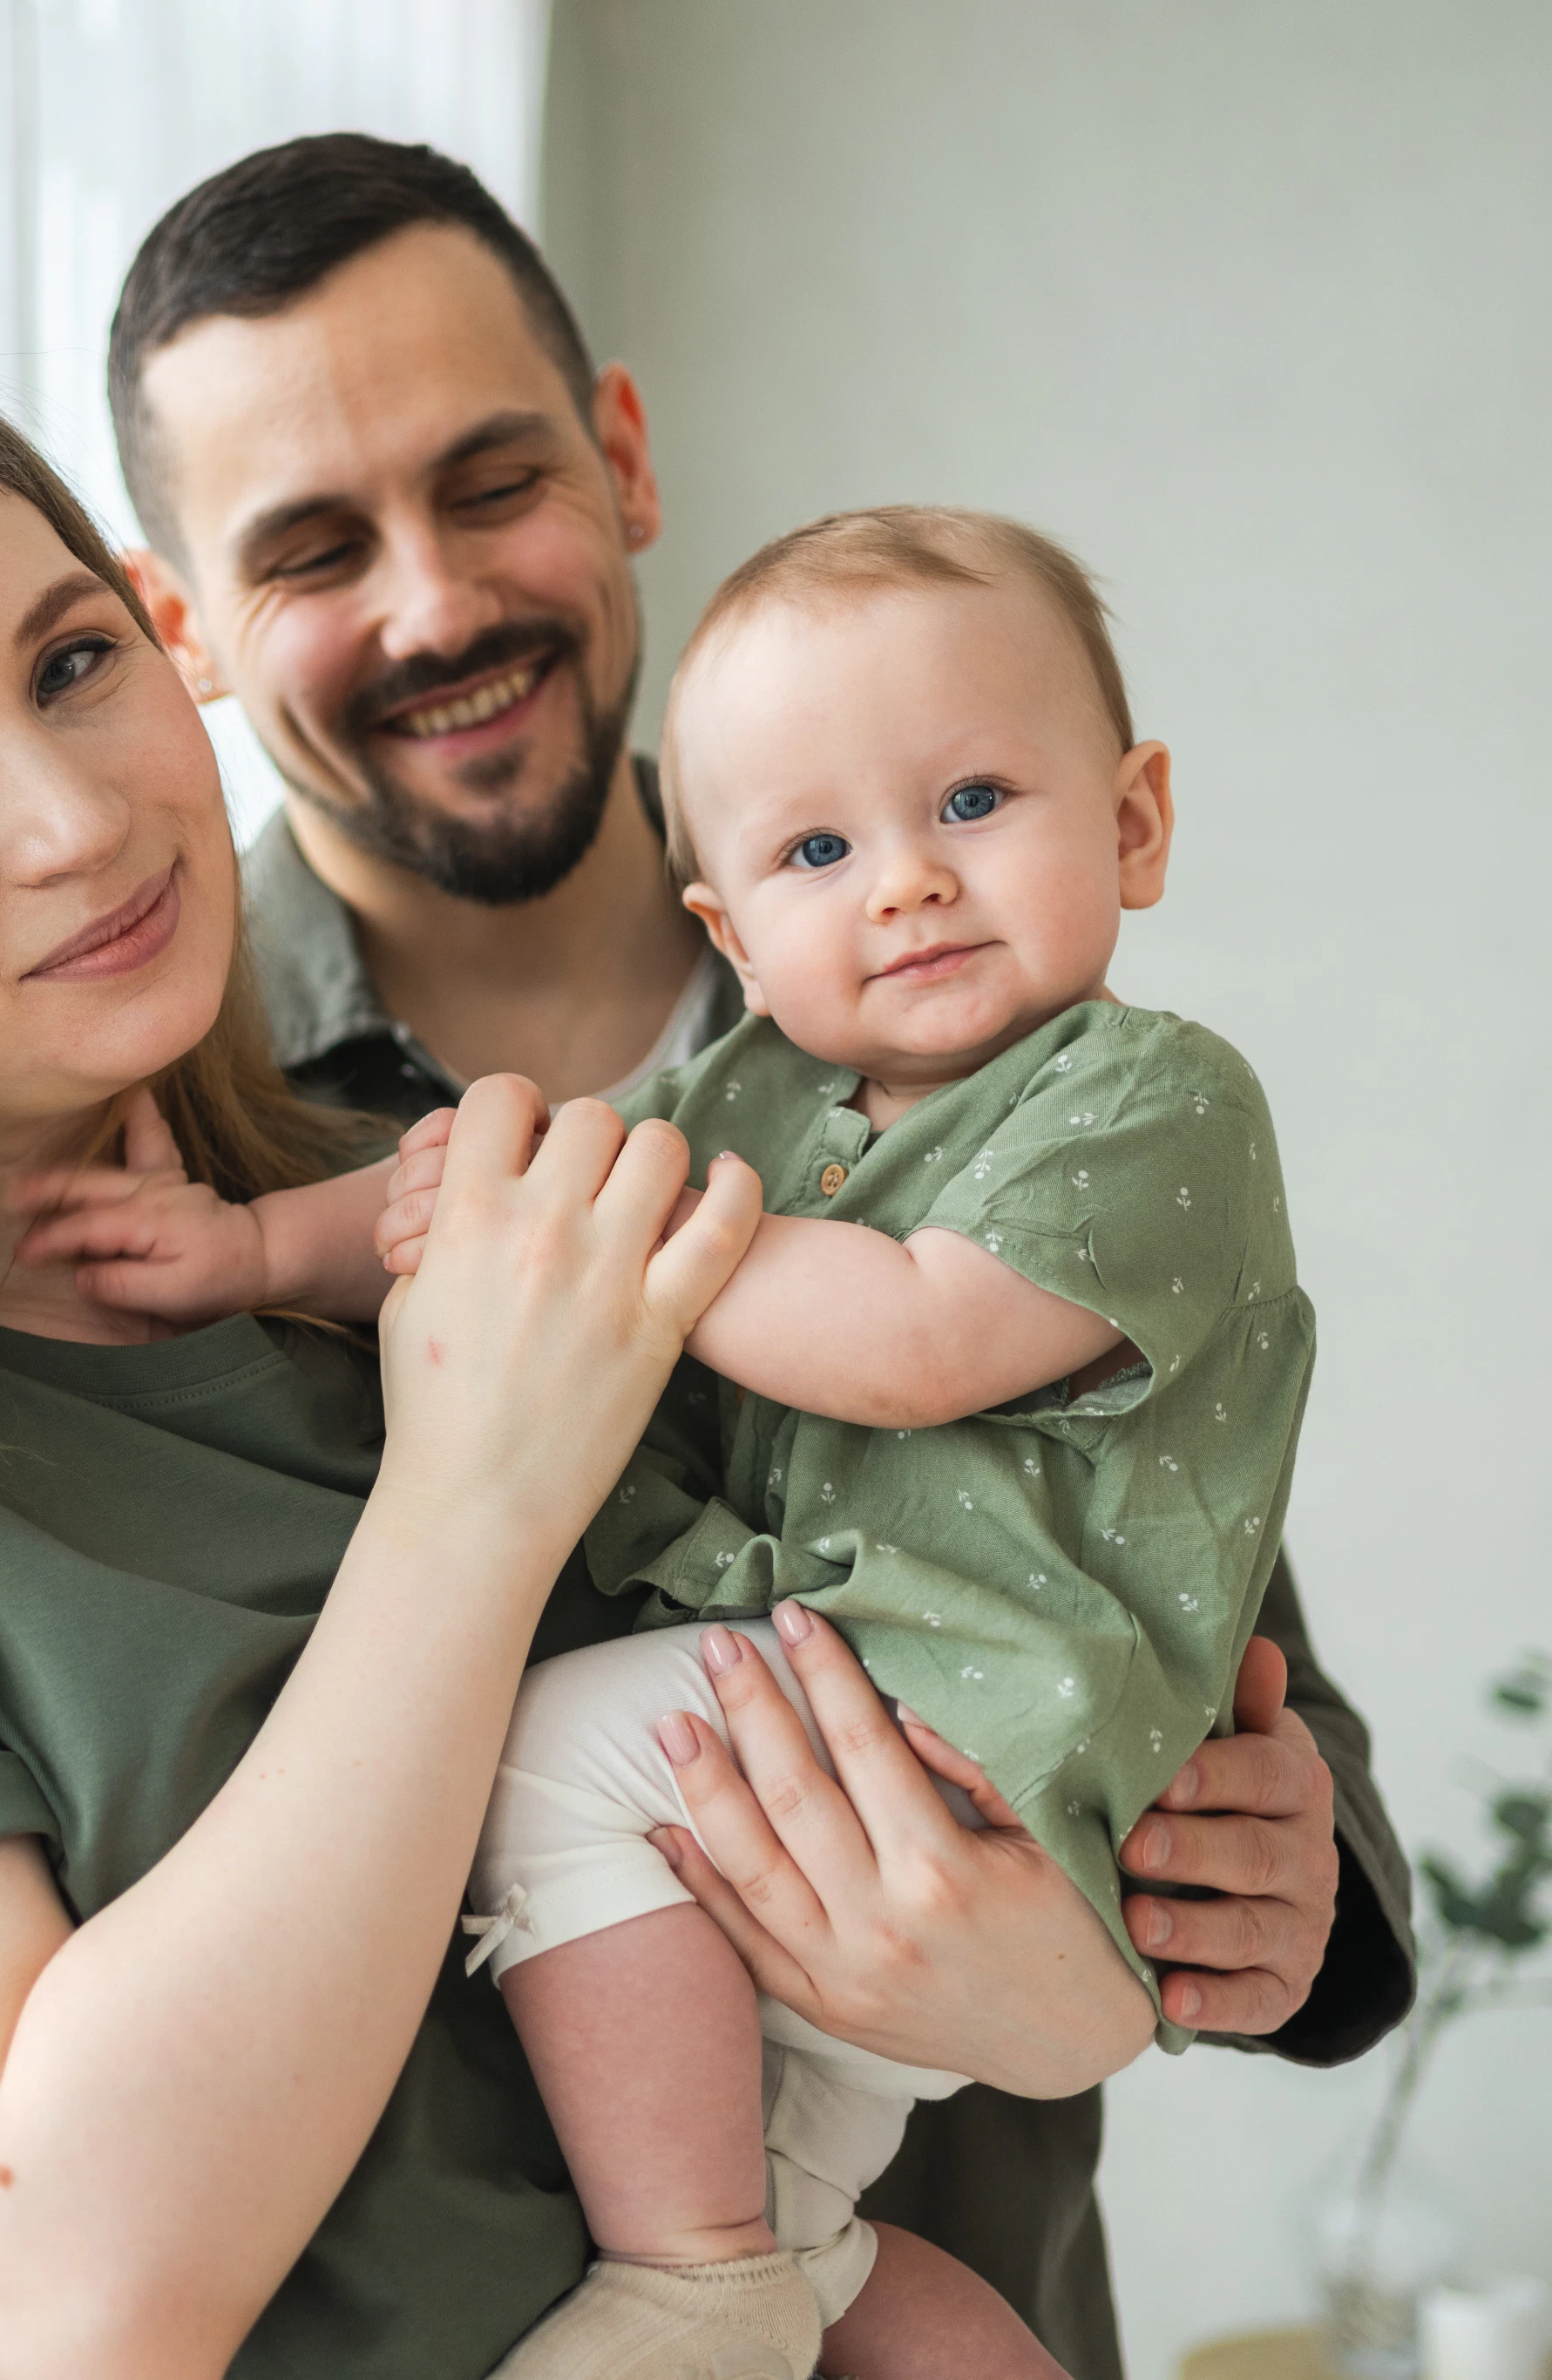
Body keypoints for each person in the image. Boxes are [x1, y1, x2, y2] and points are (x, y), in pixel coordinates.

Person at [0, 342, 1142, 2380]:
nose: (71, 815)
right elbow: (83, 2290)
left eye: (74, 664)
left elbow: (893, 1773)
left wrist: (1060, 1976)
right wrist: (473, 1498)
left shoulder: (415, 1222)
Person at [103, 132, 1415, 2375]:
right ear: (187, 632)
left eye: (486, 479)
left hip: (970, 2262)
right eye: (313, 550)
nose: (430, 607)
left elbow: (1213, 1640)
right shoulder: (155, 1128)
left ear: (617, 458)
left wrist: (1261, 1918)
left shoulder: (1017, 1060)